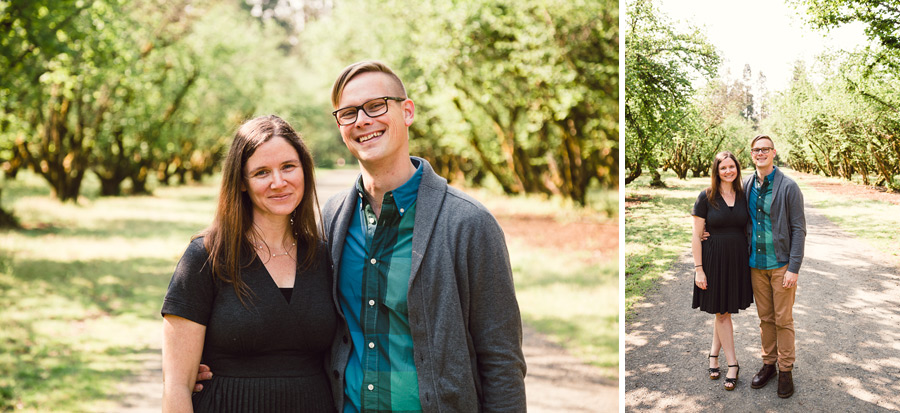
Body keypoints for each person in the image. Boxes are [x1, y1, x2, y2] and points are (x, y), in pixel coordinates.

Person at [322, 60, 527, 412]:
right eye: (349, 112)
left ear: (407, 112)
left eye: (375, 106)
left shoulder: (468, 223)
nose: (362, 120)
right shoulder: (331, 219)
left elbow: (501, 360)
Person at [161, 115, 337, 412]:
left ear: (305, 171)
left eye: (288, 167)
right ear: (241, 183)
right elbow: (176, 385)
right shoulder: (206, 257)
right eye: (261, 173)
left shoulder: (323, 256)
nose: (278, 182)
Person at [744, 134, 806, 398]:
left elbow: (799, 229)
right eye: (757, 150)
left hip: (781, 265)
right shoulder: (746, 185)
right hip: (756, 265)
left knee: (783, 320)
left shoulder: (788, 187)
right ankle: (768, 364)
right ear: (751, 154)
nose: (761, 153)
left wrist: (793, 267)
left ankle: (786, 370)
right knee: (765, 319)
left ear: (773, 152)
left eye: (765, 149)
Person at [691, 151, 754, 391]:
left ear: (737, 168)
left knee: (722, 310)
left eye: (732, 166)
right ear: (716, 172)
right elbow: (696, 237)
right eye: (723, 168)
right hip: (714, 260)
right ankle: (733, 364)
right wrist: (699, 270)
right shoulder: (706, 197)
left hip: (737, 261)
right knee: (722, 313)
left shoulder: (744, 195)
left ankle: (713, 355)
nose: (728, 171)